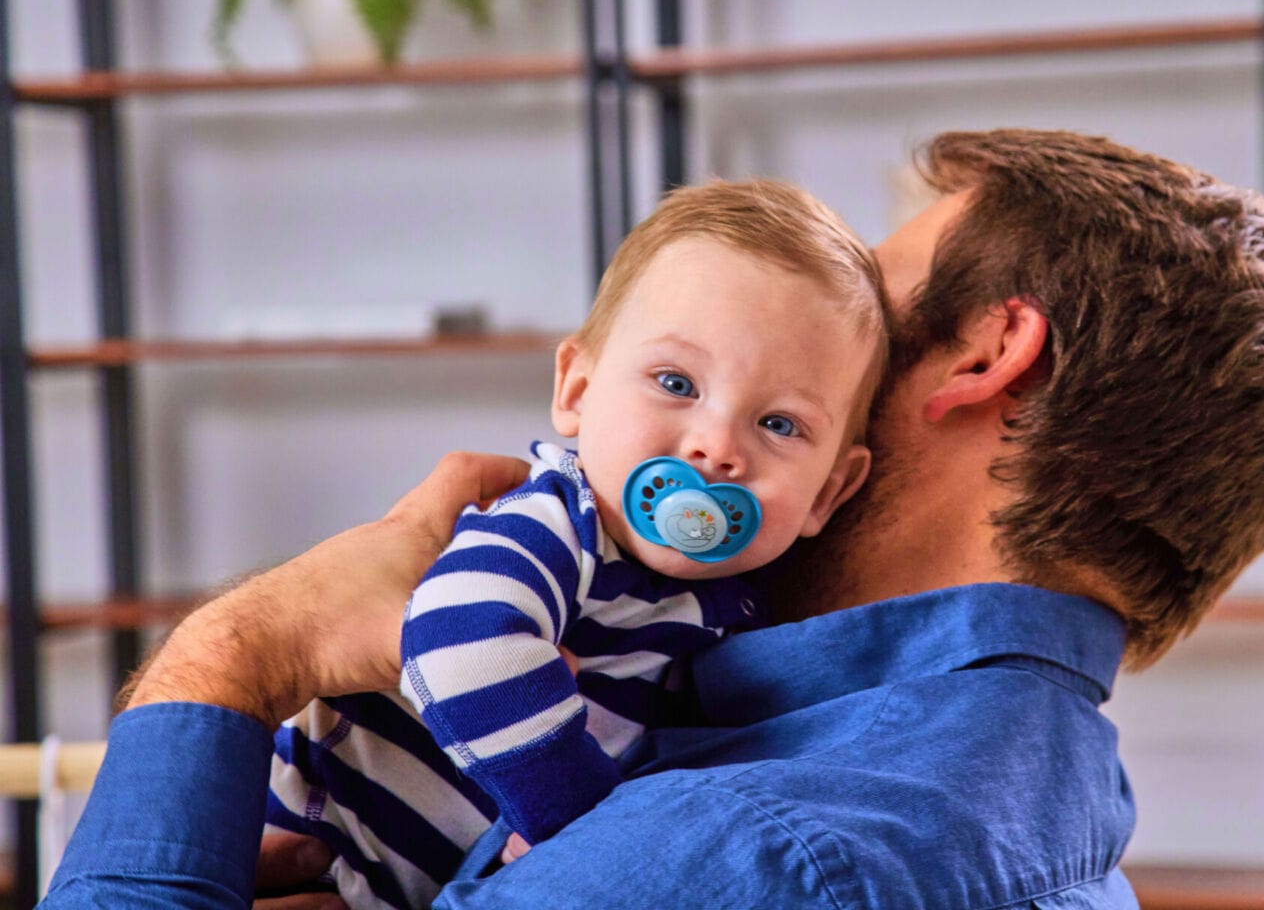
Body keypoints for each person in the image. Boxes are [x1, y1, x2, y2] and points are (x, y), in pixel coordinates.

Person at [41, 129, 1264, 910]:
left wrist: (247, 647)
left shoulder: (733, 852)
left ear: (983, 358)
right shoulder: (1057, 793)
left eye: (865, 328)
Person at [265, 179, 888, 909]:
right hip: (313, 853)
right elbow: (459, 644)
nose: (716, 448)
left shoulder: (725, 605)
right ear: (577, 389)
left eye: (779, 425)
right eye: (675, 382)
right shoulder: (558, 526)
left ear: (828, 493)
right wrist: (581, 826)